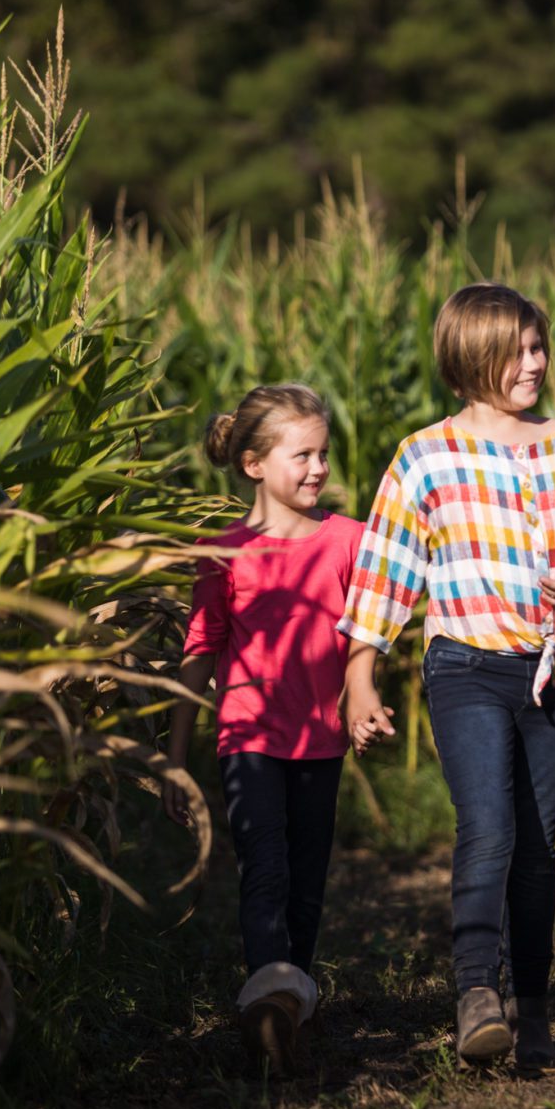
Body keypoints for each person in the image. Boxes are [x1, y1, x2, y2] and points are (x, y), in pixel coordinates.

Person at [339, 283, 555, 1067]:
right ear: (473, 357)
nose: (535, 363)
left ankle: (530, 1007)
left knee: (537, 848)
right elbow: (386, 569)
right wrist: (360, 674)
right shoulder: (425, 455)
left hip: (553, 670)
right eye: (518, 351)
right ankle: (475, 993)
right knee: (489, 829)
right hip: (464, 664)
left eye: (540, 347)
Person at [165, 383, 363, 1074]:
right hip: (246, 737)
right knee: (266, 873)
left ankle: (289, 1010)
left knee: (307, 884)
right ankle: (267, 1009)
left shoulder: (349, 541)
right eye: (301, 455)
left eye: (323, 455)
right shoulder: (223, 550)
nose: (317, 469)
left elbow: (369, 633)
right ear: (253, 464)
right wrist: (176, 753)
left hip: (321, 741)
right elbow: (201, 647)